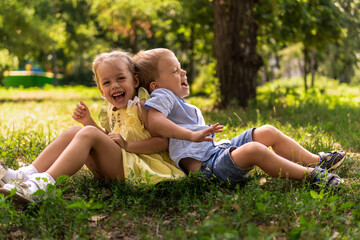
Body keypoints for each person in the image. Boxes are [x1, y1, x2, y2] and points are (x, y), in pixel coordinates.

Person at [133, 48, 346, 188]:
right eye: (175, 71)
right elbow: (155, 122)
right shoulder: (162, 95)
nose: (183, 72)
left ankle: (316, 161)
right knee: (255, 150)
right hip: (209, 169)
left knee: (267, 132)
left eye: (181, 68)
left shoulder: (174, 100)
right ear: (155, 86)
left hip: (218, 152)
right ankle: (312, 175)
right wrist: (191, 135)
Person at [0, 50, 185, 204]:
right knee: (76, 131)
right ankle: (24, 175)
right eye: (107, 82)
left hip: (140, 170)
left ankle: (43, 185)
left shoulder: (143, 107)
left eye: (121, 78)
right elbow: (107, 139)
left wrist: (128, 146)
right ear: (100, 89)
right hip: (118, 167)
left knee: (88, 133)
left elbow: (163, 142)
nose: (115, 85)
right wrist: (88, 122)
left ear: (135, 81)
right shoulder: (112, 110)